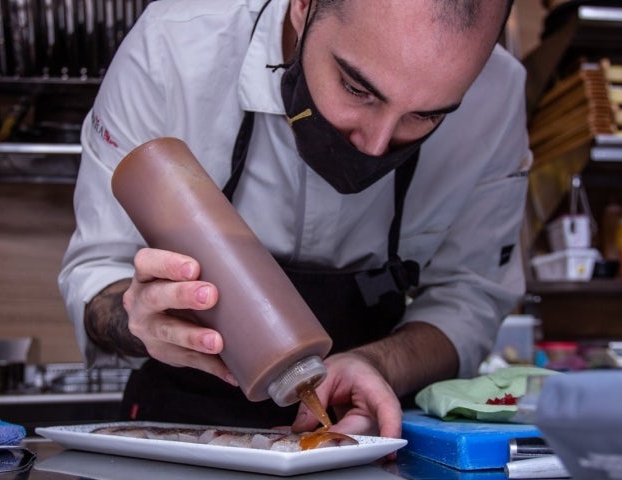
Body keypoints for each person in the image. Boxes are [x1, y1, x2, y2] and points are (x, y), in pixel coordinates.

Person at [59, 0, 531, 440]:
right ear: (303, 6)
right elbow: (97, 272)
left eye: (425, 116)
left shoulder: (496, 97)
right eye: (356, 88)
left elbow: (469, 297)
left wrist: (380, 363)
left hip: (362, 429)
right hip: (179, 421)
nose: (375, 144)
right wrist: (139, 318)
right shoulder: (174, 48)